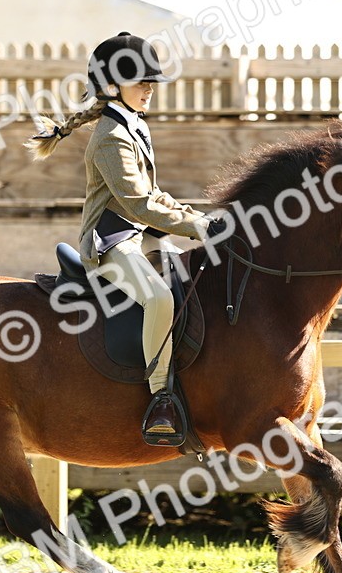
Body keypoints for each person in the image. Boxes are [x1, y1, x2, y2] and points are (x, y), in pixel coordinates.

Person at [27, 31, 225, 446]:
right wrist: (199, 228)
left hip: (140, 233)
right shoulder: (111, 137)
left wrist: (197, 218)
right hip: (112, 241)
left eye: (152, 82)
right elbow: (137, 205)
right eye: (142, 82)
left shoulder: (133, 124)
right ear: (113, 86)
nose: (149, 89)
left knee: (190, 277)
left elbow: (154, 195)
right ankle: (161, 397)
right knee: (159, 298)